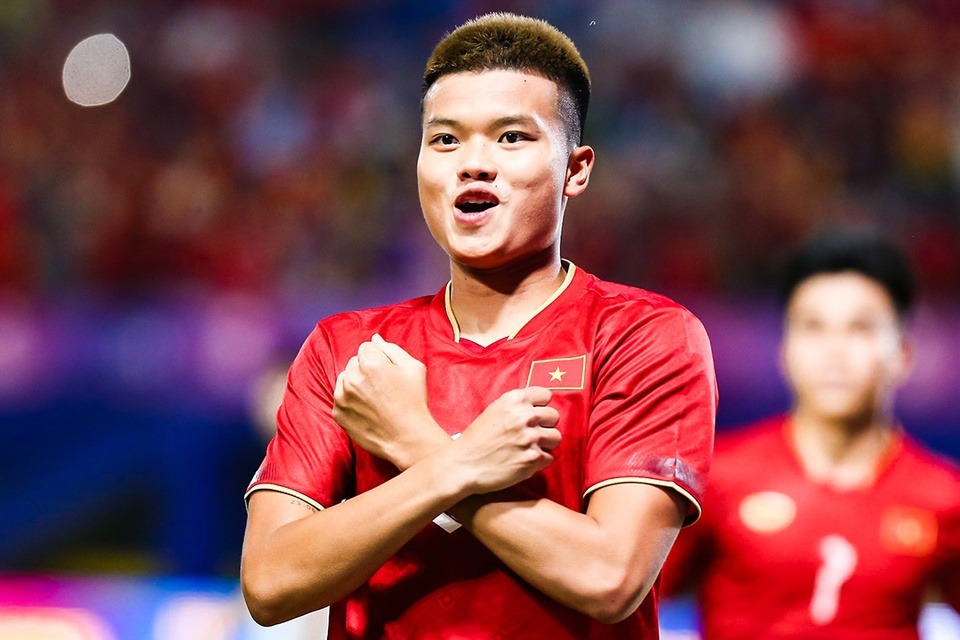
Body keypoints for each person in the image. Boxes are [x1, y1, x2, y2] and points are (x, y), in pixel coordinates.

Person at [241, 12, 717, 639]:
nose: (473, 163)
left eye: (511, 137)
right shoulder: (348, 350)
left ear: (575, 169)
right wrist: (458, 466)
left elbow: (611, 578)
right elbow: (270, 583)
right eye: (445, 140)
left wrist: (414, 442)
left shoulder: (642, 336)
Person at [661, 228, 960, 639]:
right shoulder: (714, 478)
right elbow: (630, 607)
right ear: (785, 350)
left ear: (904, 354)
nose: (834, 351)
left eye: (860, 329)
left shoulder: (945, 498)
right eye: (814, 327)